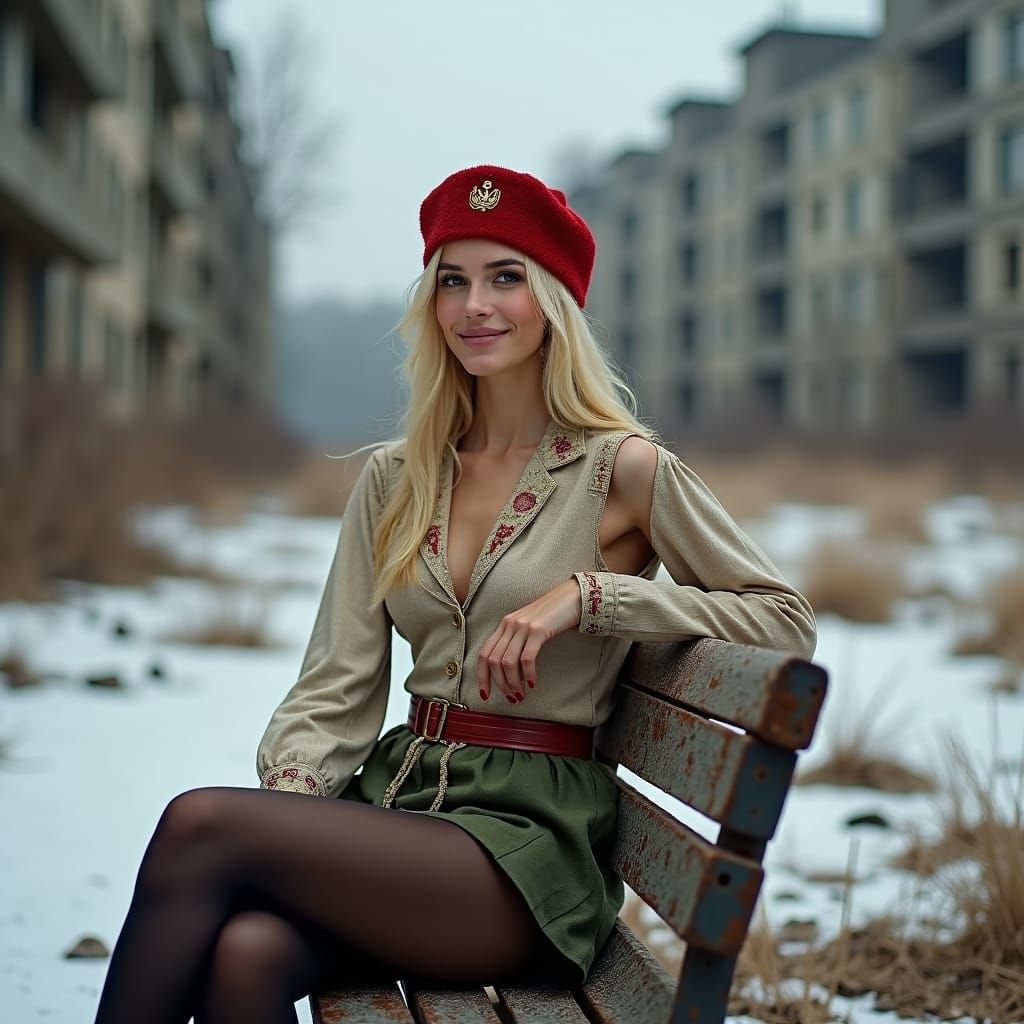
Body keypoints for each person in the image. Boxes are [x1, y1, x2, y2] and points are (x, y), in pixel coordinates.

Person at [93, 164, 816, 1024]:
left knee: (200, 826)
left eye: (506, 277)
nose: (476, 304)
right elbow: (337, 679)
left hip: (526, 853)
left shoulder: (619, 468)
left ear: (552, 301)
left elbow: (783, 620)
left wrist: (594, 598)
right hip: (399, 807)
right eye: (453, 280)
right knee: (245, 952)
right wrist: (294, 801)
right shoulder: (395, 477)